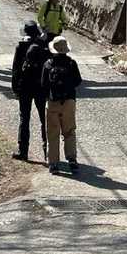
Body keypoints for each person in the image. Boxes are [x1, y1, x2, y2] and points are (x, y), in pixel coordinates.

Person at [41, 36, 82, 174]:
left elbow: (44, 84)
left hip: (53, 102)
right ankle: (72, 159)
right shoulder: (71, 63)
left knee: (53, 132)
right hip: (69, 101)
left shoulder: (48, 64)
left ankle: (53, 163)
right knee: (69, 131)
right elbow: (78, 81)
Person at [11, 21, 49, 162]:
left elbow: (16, 69)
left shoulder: (21, 46)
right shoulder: (43, 46)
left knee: (24, 119)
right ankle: (48, 151)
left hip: (24, 87)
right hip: (40, 87)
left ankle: (23, 151)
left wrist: (15, 88)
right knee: (44, 120)